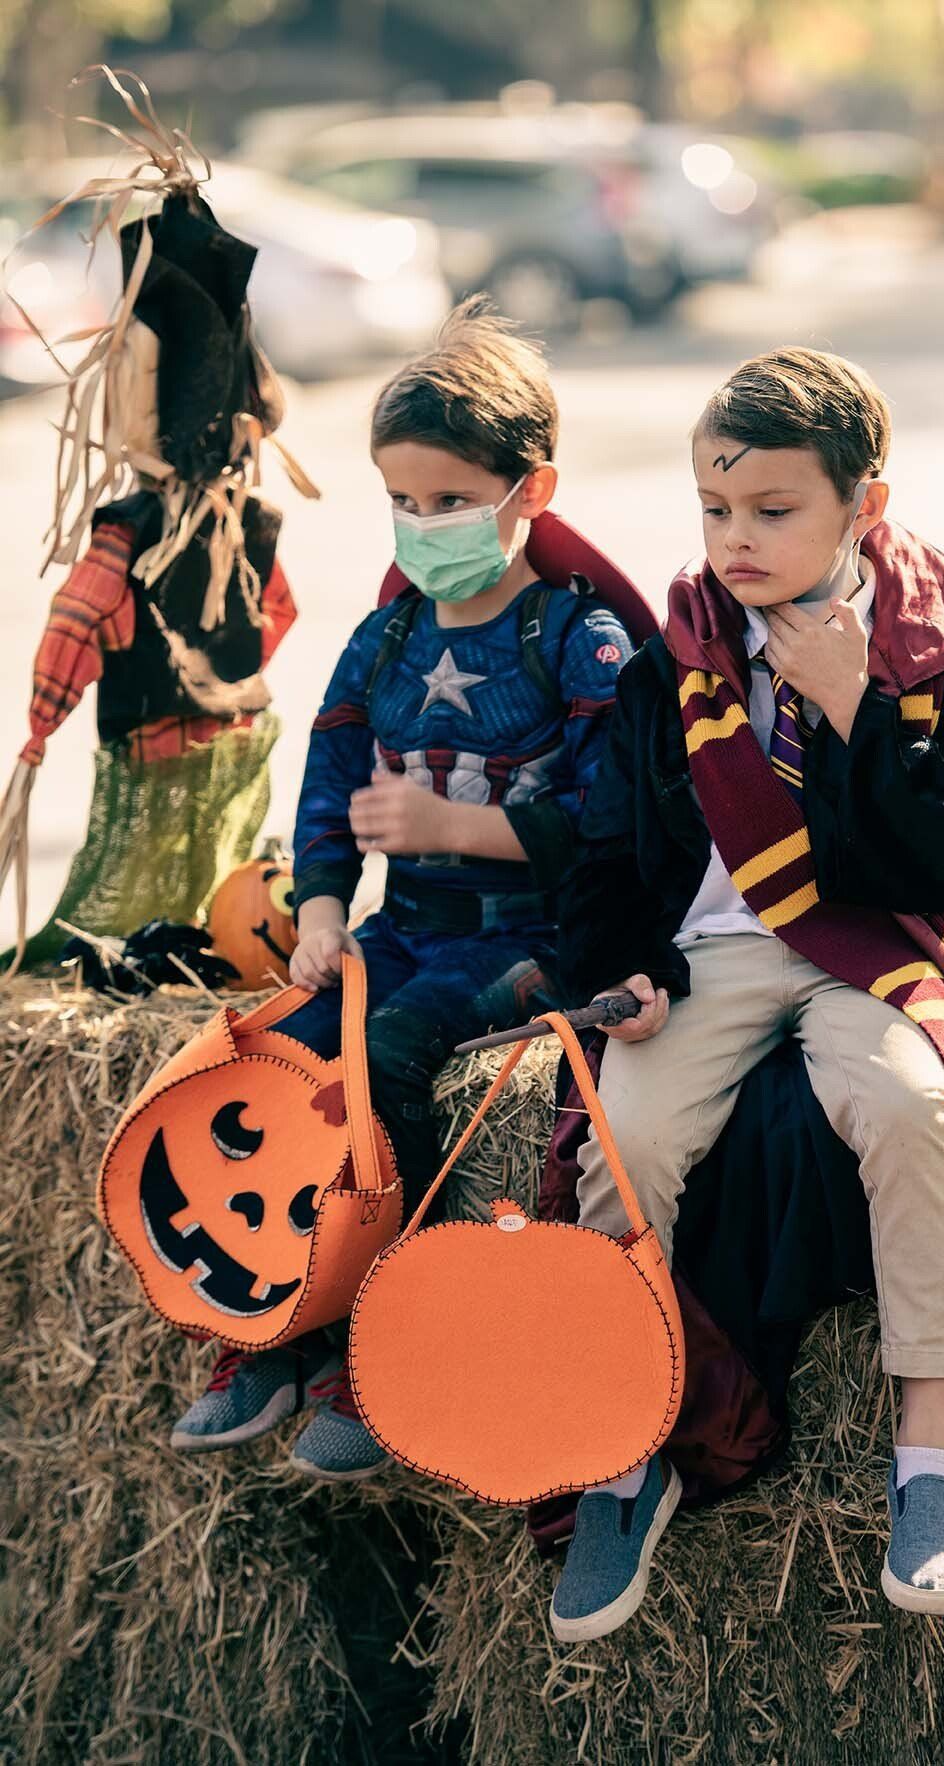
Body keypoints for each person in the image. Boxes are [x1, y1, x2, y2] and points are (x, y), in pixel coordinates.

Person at [551, 345, 944, 1640]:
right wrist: (627, 978)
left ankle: (925, 1456)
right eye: (714, 509)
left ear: (860, 507)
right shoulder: (678, 649)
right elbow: (610, 851)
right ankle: (621, 1439)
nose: (734, 540)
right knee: (626, 1133)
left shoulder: (925, 642)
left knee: (906, 1104)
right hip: (710, 950)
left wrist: (854, 708)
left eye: (771, 510)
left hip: (868, 941)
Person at [170, 297, 637, 1478]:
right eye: (404, 501)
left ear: (530, 491)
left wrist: (459, 827)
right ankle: (277, 1314)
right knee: (279, 1055)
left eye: (450, 502)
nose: (422, 525)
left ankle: (376, 1348)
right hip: (401, 929)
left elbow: (618, 827)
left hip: (522, 943)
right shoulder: (381, 643)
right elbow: (327, 787)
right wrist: (322, 910)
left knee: (392, 1059)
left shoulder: (573, 643)